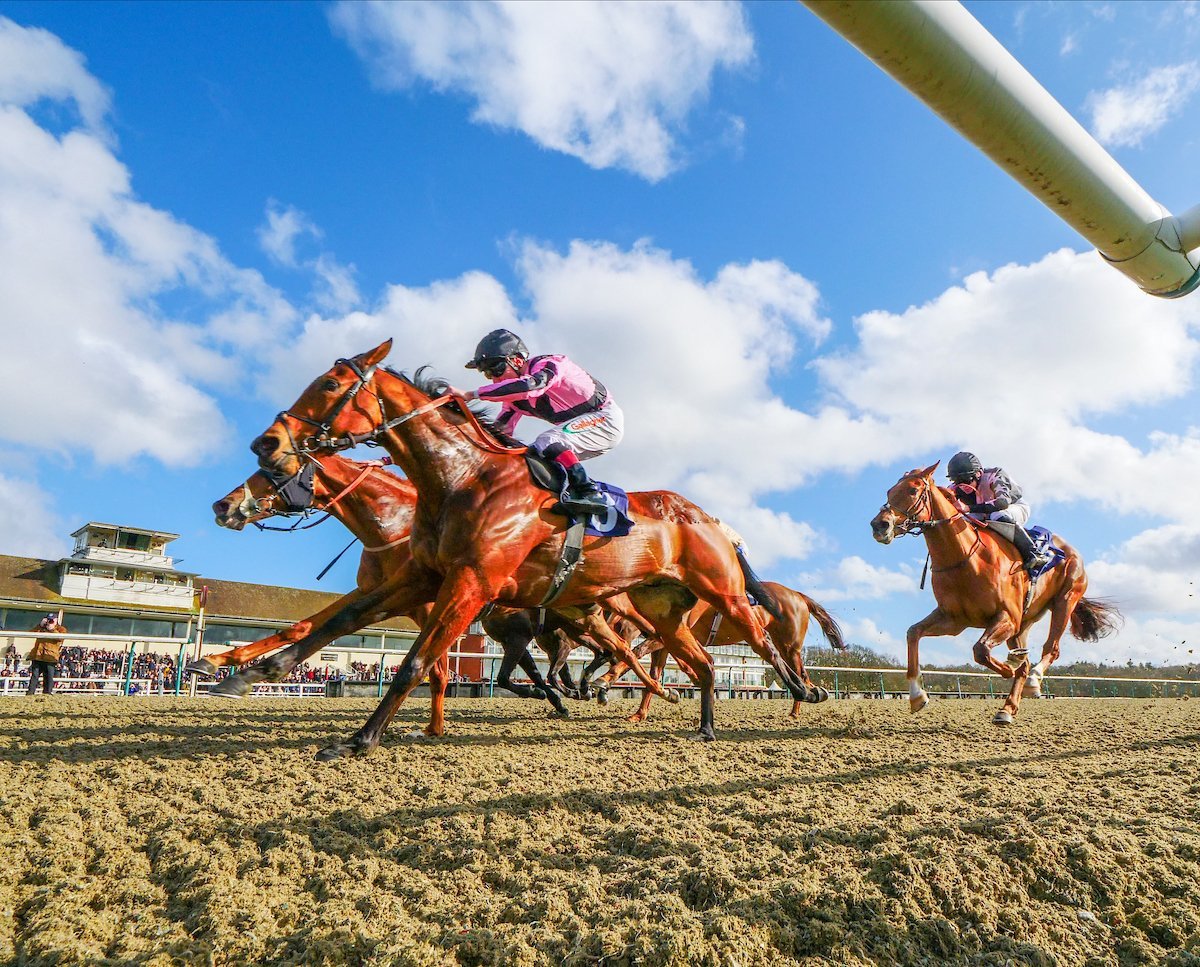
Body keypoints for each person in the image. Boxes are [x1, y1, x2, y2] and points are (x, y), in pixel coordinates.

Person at [459, 329, 623, 515]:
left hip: (605, 419)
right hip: (583, 427)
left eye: (496, 369)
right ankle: (561, 497)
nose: (495, 379)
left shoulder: (550, 364)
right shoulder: (514, 402)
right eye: (488, 375)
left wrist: (471, 394)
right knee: (531, 454)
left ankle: (590, 492)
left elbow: (533, 386)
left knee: (548, 441)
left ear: (518, 361)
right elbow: (499, 434)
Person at [946, 451, 1052, 573]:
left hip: (1013, 507)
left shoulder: (995, 474)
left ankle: (1034, 553)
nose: (962, 485)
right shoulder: (954, 488)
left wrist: (968, 508)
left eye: (966, 479)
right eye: (957, 481)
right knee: (961, 520)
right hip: (985, 513)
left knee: (997, 515)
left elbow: (1002, 503)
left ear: (979, 473)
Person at [26, 613, 67, 696]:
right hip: (38, 656)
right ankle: (30, 693)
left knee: (48, 677)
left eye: (52, 620)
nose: (50, 621)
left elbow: (60, 638)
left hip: (50, 657)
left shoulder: (61, 629)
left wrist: (52, 629)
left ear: (56, 620)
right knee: (34, 676)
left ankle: (47, 694)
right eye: (48, 619)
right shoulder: (41, 628)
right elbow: (30, 633)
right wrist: (40, 626)